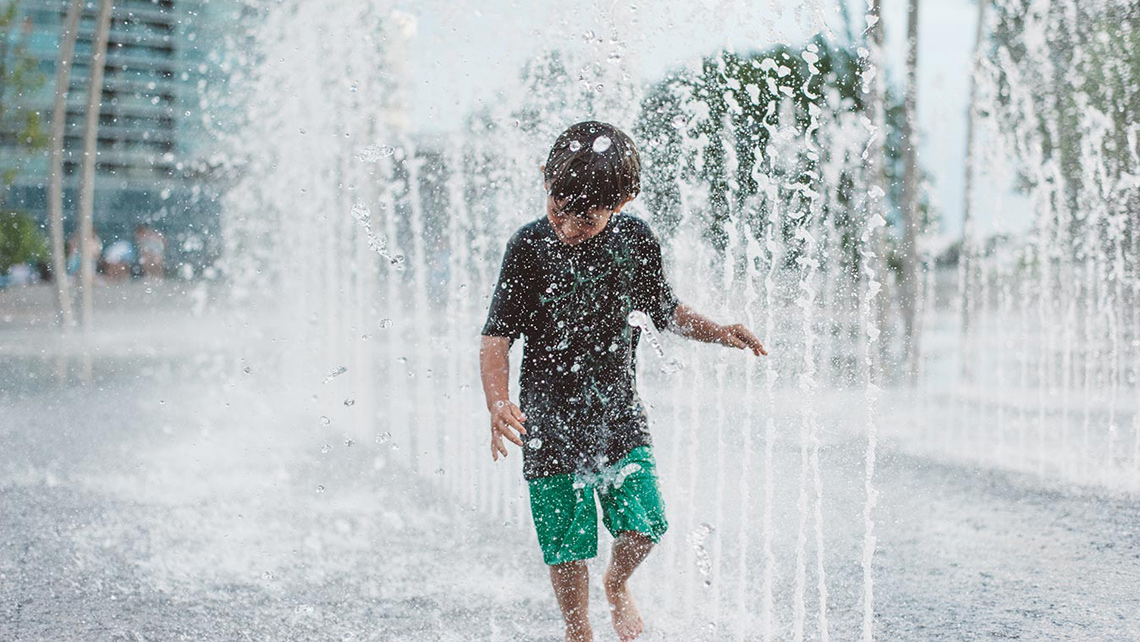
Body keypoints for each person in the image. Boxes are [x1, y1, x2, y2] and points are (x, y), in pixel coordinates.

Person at [479, 121, 767, 642]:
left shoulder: (635, 241)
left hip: (618, 416)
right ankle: (578, 629)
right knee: (567, 545)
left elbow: (667, 312)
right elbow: (496, 338)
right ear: (546, 181)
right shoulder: (527, 247)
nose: (566, 226)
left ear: (624, 201)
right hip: (547, 420)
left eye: (584, 218)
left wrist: (720, 332)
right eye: (557, 208)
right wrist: (498, 403)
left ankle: (617, 584)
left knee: (645, 524)